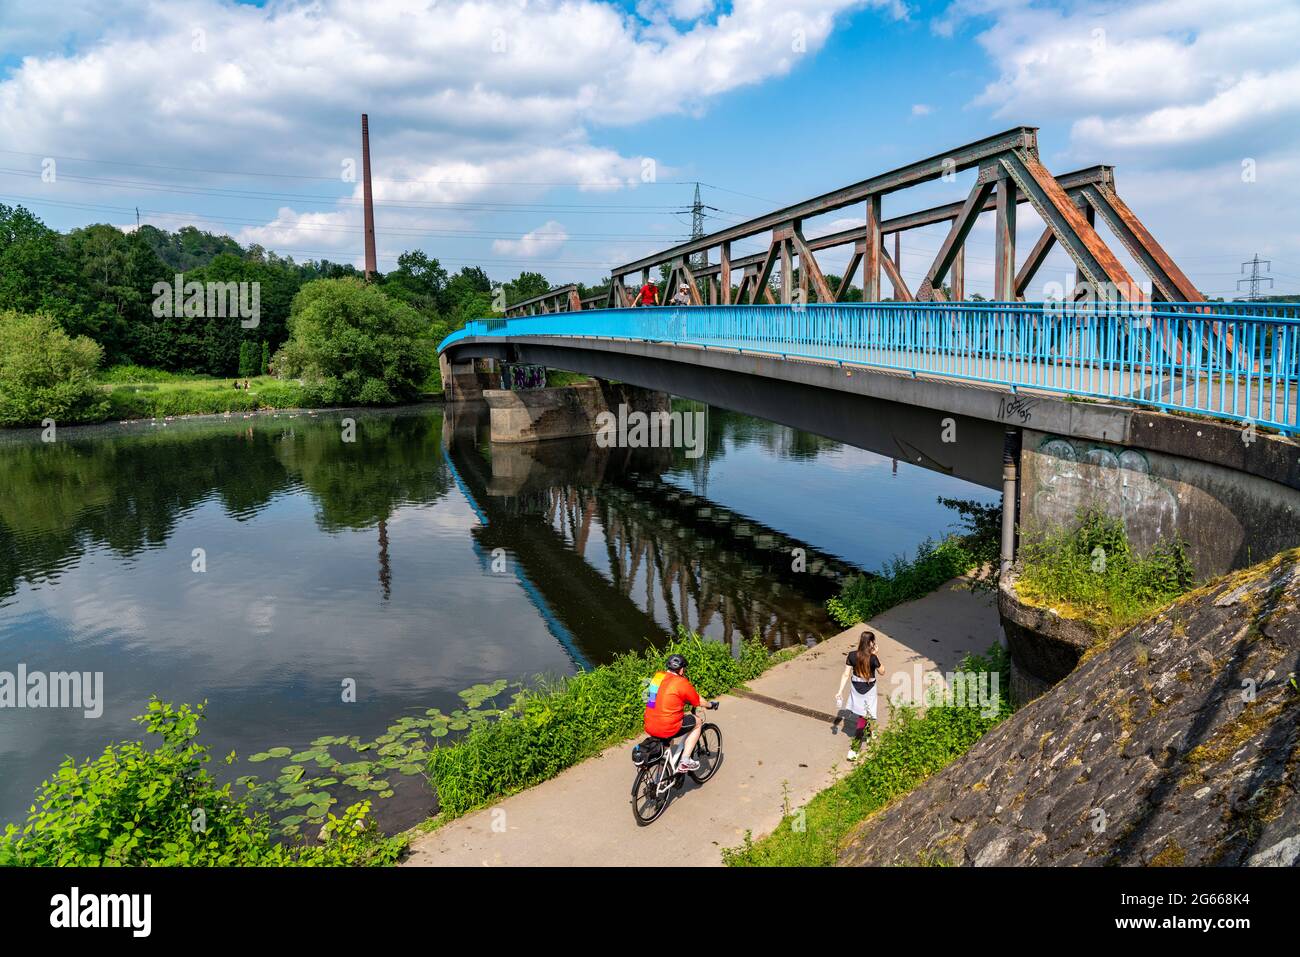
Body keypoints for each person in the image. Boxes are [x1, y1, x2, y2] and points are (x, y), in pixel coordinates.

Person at [643, 654, 715, 772]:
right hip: (667, 726)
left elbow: (651, 700)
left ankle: (662, 777)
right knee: (697, 722)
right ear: (681, 670)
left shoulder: (657, 677)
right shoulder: (681, 682)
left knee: (667, 741)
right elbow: (698, 701)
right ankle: (685, 760)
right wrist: (710, 705)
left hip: (649, 723)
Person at [835, 630, 883, 760]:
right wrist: (876, 655)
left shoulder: (851, 655)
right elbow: (883, 671)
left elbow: (846, 674)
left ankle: (871, 732)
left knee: (865, 714)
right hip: (869, 690)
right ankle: (853, 750)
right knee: (863, 718)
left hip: (856, 690)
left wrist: (840, 691)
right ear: (871, 643)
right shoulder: (872, 658)